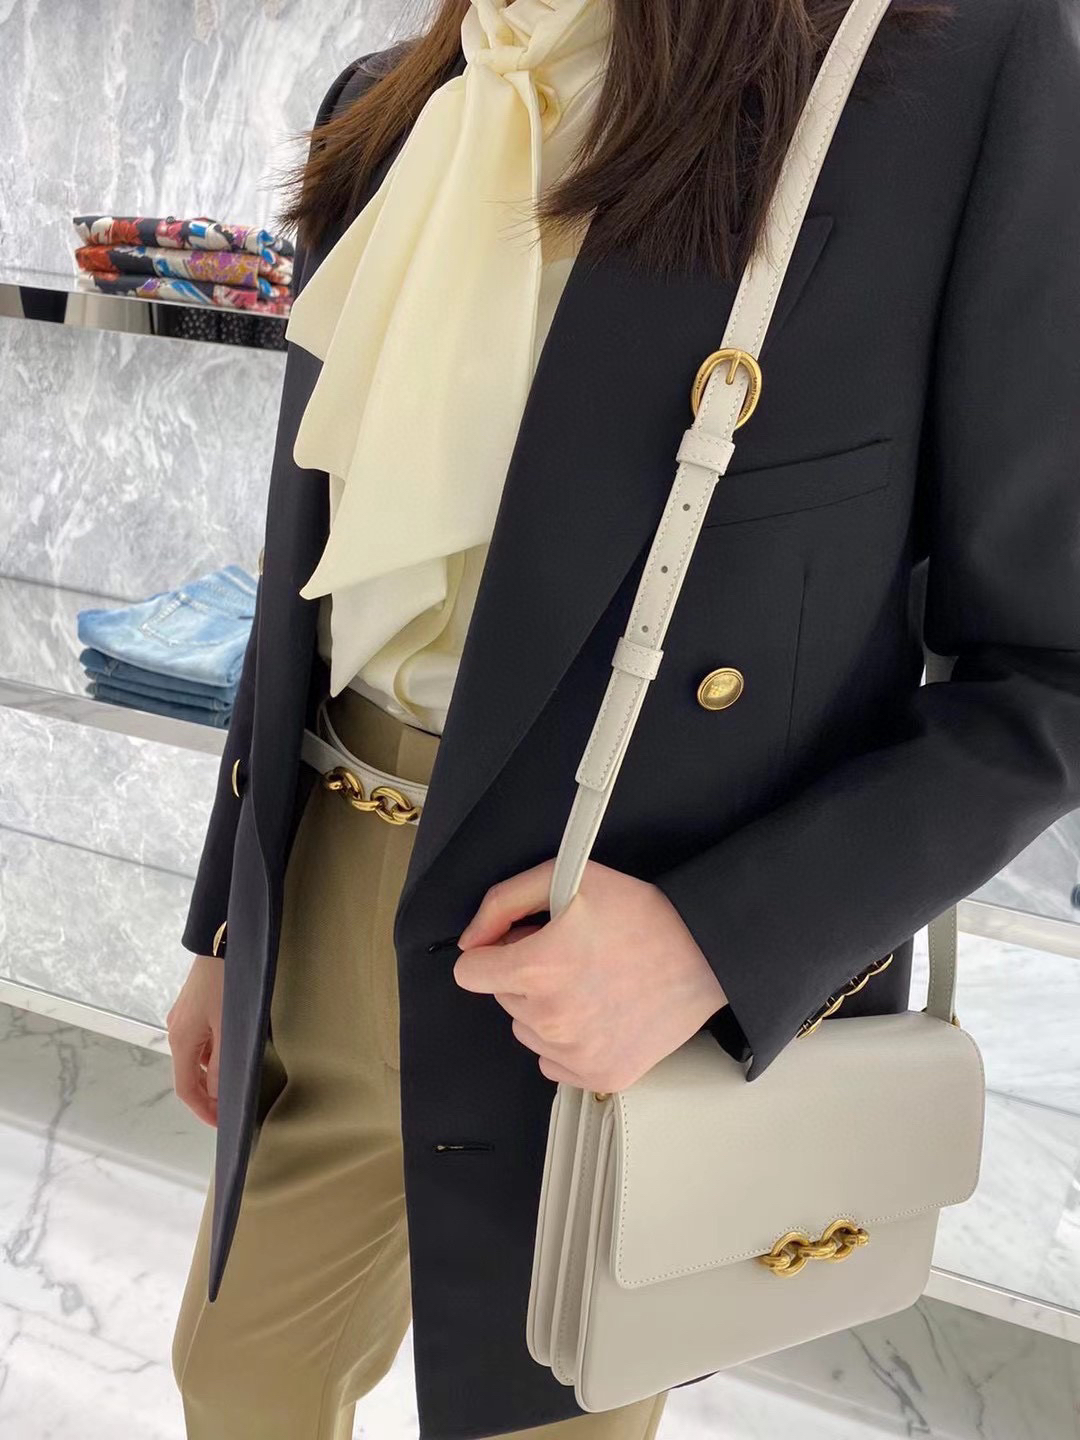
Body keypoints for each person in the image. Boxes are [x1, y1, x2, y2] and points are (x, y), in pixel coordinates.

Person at [166, 0, 1080, 1436]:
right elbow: (314, 594)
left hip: (608, 978)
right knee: (237, 1388)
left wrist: (719, 941)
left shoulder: (942, 69)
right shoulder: (396, 102)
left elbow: (1050, 671)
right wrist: (230, 922)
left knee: (548, 1419)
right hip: (323, 891)